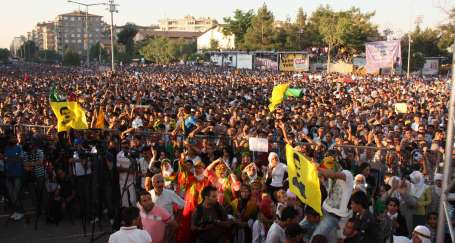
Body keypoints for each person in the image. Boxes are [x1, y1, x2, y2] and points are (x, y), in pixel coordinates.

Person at [312, 156, 353, 242]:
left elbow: (332, 174)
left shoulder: (347, 174)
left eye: (330, 165)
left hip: (333, 215)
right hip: (325, 211)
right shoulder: (330, 173)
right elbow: (320, 173)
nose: (328, 168)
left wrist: (318, 168)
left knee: (315, 238)